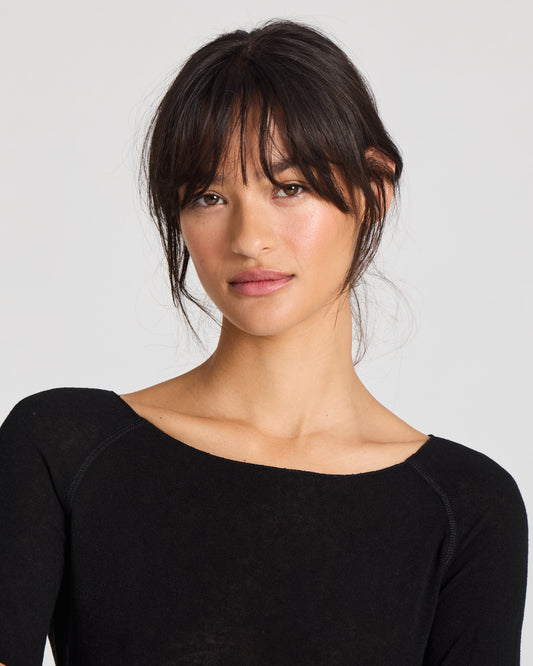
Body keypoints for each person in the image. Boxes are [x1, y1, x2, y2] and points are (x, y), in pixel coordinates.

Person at [0, 19, 528, 666]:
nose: (250, 239)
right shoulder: (61, 450)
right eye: (209, 196)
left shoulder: (465, 508)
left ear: (375, 190)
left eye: (289, 188)